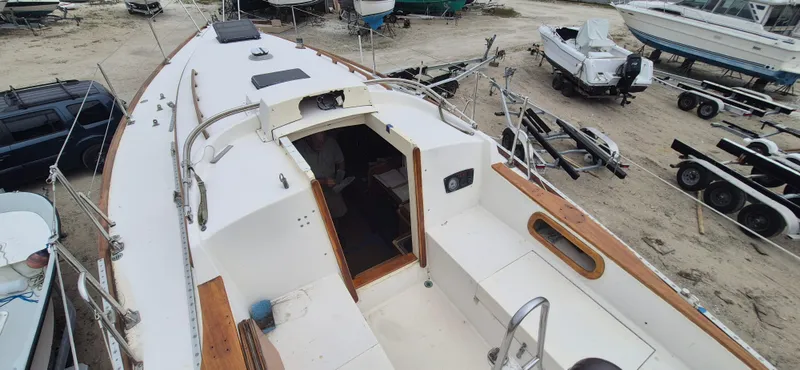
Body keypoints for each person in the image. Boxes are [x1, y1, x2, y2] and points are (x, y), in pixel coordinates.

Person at [296, 132, 348, 219]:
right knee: (318, 219)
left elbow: (340, 161)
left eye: (323, 143)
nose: (321, 146)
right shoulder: (298, 150)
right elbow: (298, 178)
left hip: (332, 190)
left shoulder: (331, 143)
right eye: (317, 144)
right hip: (312, 192)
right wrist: (322, 182)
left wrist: (339, 176)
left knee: (338, 214)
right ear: (308, 139)